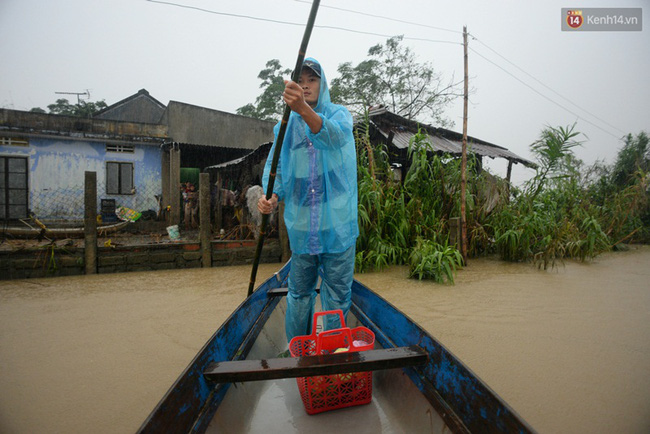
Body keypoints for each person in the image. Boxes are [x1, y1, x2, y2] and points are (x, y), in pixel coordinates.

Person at [258, 58, 359, 343]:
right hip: (302, 229)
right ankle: (298, 351)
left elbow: (332, 137)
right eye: (300, 80)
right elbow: (276, 170)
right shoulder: (284, 129)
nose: (305, 85)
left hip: (338, 227)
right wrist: (271, 197)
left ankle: (331, 352)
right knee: (299, 293)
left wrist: (301, 108)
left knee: (337, 295)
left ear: (322, 83)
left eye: (311, 80)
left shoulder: (340, 115)